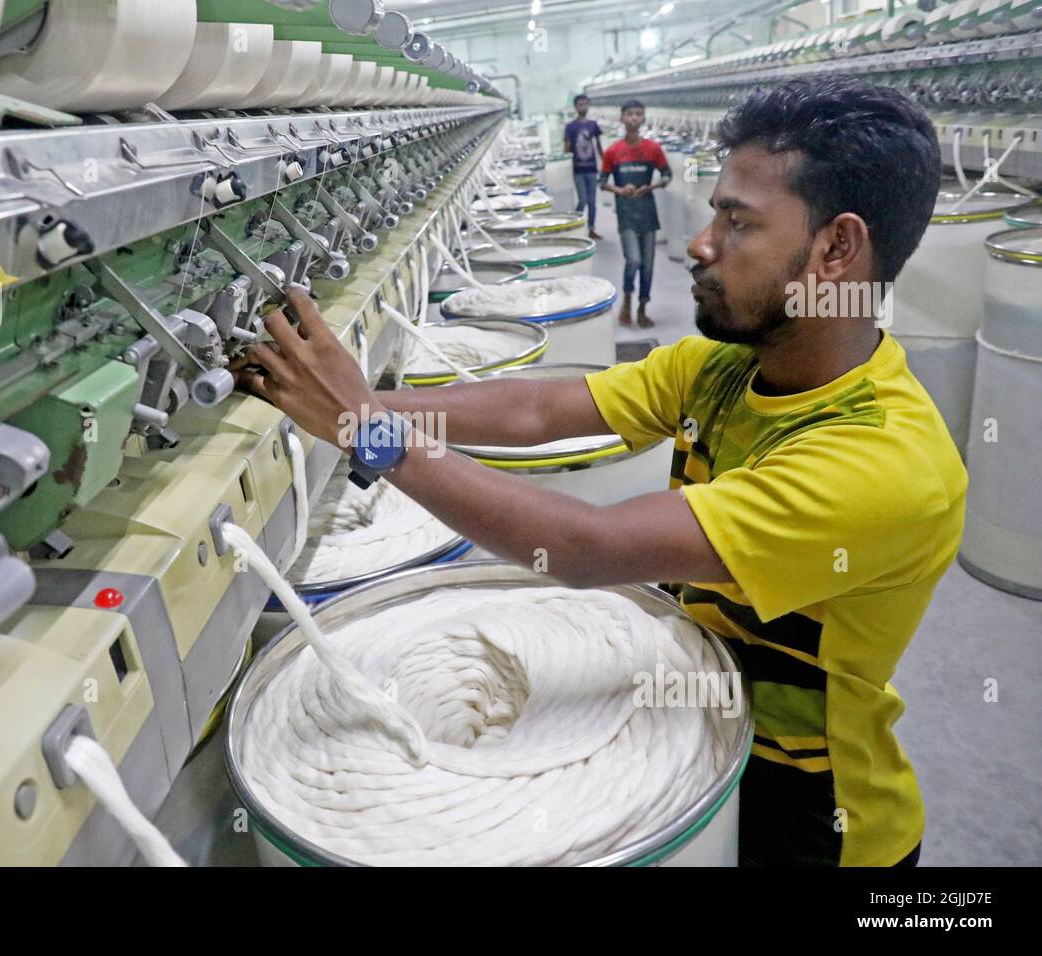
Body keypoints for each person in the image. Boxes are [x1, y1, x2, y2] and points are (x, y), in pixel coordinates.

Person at [232, 76, 960, 867]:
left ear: (837, 249)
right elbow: (540, 413)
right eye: (714, 210)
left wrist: (367, 430)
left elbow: (589, 545)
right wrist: (361, 397)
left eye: (737, 222)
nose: (701, 242)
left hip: (815, 814)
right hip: (703, 721)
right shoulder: (721, 366)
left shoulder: (883, 463)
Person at [600, 98, 671, 329]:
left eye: (638, 114)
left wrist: (651, 187)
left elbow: (667, 175)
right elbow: (602, 182)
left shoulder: (654, 149)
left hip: (648, 212)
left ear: (643, 118)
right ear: (622, 118)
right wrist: (620, 189)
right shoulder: (613, 151)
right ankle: (627, 300)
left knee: (648, 265)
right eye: (630, 114)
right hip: (626, 212)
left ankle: (642, 307)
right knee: (634, 260)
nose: (634, 118)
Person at [564, 94, 604, 240]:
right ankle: (574, 225)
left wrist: (604, 162)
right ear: (575, 107)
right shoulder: (570, 127)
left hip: (591, 168)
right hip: (578, 169)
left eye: (585, 104)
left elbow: (598, 145)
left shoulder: (593, 125)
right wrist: (565, 164)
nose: (583, 107)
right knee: (583, 200)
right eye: (580, 104)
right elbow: (567, 147)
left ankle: (591, 228)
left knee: (592, 201)